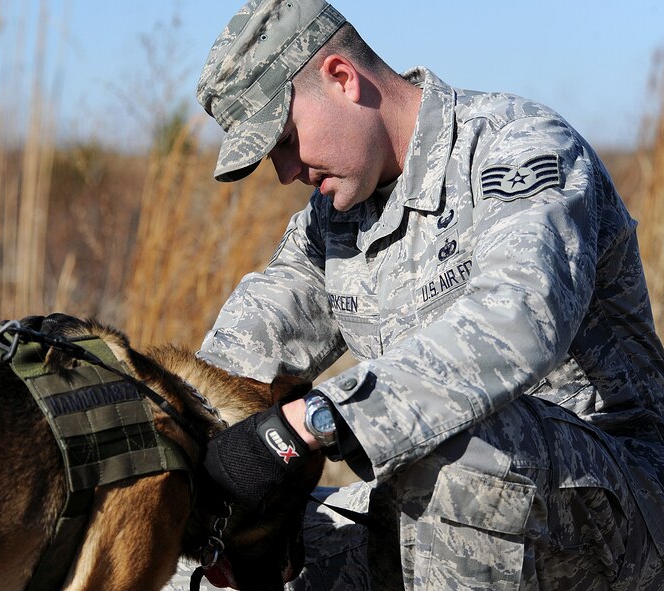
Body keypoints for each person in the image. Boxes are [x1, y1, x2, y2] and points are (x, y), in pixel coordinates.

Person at [164, 0, 664, 589]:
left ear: (342, 78)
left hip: (614, 512)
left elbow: (519, 323)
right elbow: (246, 344)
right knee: (179, 564)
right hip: (433, 499)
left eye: (287, 139)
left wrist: (317, 418)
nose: (286, 171)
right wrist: (199, 467)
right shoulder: (334, 219)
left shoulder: (518, 148)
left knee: (454, 446)